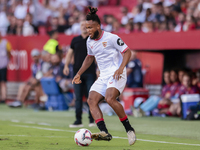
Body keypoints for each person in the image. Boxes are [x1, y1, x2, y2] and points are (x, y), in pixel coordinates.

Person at [71, 6, 136, 145]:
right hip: (103, 75)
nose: (88, 30)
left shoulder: (112, 38)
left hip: (117, 73)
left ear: (98, 26)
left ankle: (129, 130)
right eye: (87, 28)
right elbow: (89, 58)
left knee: (110, 99)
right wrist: (78, 74)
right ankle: (104, 132)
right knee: (91, 100)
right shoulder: (89, 41)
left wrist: (120, 68)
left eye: (91, 27)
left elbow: (127, 52)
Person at [63, 21, 96, 128]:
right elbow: (69, 53)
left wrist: (99, 69)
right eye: (81, 25)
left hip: (90, 72)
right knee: (78, 97)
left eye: (85, 26)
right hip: (77, 72)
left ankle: (92, 120)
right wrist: (66, 65)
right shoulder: (75, 40)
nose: (83, 27)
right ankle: (78, 120)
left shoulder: (93, 39)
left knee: (90, 97)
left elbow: (98, 55)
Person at [0, 32, 12, 104]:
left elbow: (9, 53)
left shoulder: (5, 43)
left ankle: (3, 97)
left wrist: (6, 61)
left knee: (3, 82)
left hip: (3, 65)